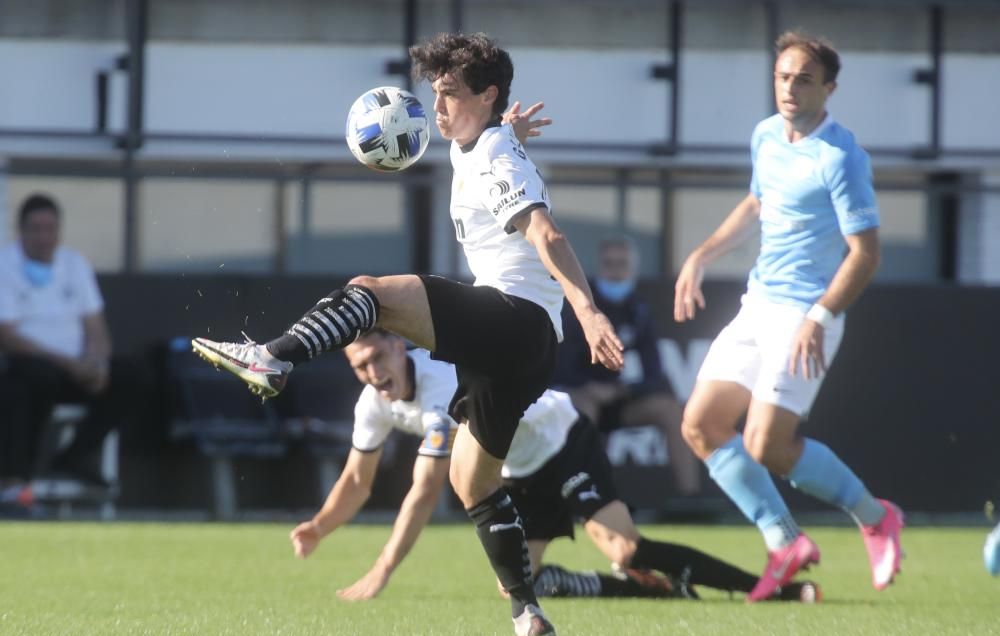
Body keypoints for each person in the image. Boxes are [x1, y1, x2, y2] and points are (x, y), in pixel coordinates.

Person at [190, 32, 623, 636]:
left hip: (514, 319)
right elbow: (498, 158)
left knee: (373, 291)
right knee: (470, 481)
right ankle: (528, 612)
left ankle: (272, 356)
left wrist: (588, 308)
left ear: (488, 95)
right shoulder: (483, 145)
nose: (436, 109)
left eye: (448, 95)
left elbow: (547, 235)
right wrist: (509, 134)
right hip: (525, 353)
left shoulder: (494, 153)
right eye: (434, 95)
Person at [289, 329, 818, 605]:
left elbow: (425, 490)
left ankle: (771, 588)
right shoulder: (374, 403)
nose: (374, 373)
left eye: (379, 358)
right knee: (519, 584)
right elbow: (358, 480)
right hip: (518, 470)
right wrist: (320, 525)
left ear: (398, 346)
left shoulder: (438, 387)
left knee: (624, 545)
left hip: (561, 438)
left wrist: (382, 570)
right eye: (361, 367)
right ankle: (643, 587)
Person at [673, 30, 904, 602]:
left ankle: (876, 517)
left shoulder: (841, 157)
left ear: (829, 87)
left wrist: (820, 316)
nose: (790, 87)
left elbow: (866, 253)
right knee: (700, 425)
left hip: (808, 313)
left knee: (767, 446)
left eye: (804, 78)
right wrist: (701, 254)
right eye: (782, 76)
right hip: (759, 304)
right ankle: (784, 541)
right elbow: (758, 203)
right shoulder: (765, 137)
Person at [0, 193, 138, 493]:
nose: (43, 237)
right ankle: (17, 480)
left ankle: (74, 456)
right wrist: (69, 365)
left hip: (77, 370)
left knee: (131, 375)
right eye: (35, 229)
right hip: (32, 368)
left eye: (50, 229)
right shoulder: (5, 265)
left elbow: (95, 326)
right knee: (29, 381)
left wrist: (98, 363)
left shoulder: (75, 264)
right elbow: (7, 335)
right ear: (21, 230)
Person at [555, 235, 702, 498]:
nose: (615, 270)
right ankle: (583, 495)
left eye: (622, 263)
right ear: (599, 266)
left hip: (617, 397)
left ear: (632, 267)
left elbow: (654, 372)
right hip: (577, 395)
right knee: (585, 409)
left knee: (670, 410)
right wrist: (589, 388)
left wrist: (623, 390)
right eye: (609, 264)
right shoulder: (579, 308)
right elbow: (558, 366)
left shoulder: (637, 310)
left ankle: (689, 498)